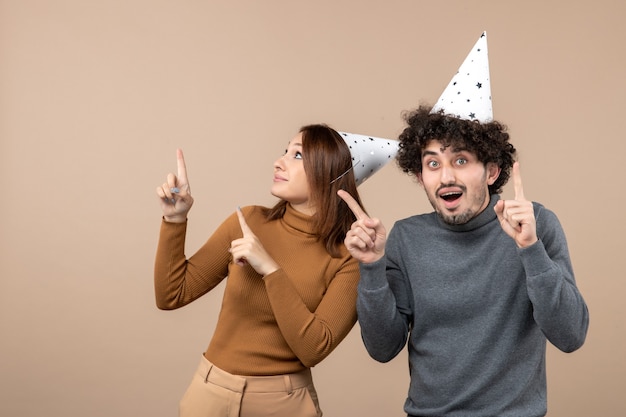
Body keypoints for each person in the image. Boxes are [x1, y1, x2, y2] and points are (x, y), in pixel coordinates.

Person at [338, 33, 589, 417]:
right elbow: (382, 348)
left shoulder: (535, 224)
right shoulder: (406, 238)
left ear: (491, 170)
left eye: (460, 160)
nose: (445, 176)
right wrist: (372, 268)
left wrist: (531, 250)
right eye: (433, 163)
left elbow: (571, 336)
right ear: (420, 176)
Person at [154, 124, 396, 417]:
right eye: (286, 151)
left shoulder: (349, 257)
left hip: (284, 403)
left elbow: (313, 349)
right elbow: (171, 295)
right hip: (209, 395)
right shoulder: (248, 222)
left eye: (297, 156)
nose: (278, 162)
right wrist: (175, 220)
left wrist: (270, 268)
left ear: (327, 175)